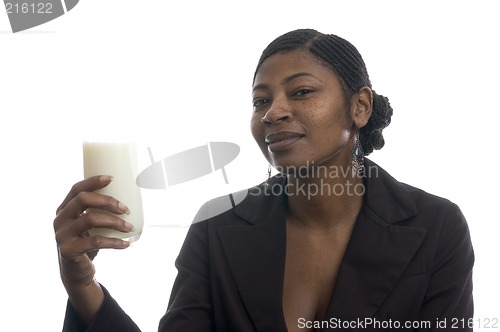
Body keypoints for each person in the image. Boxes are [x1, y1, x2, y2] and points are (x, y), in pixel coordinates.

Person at [54, 29, 474, 331]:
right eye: (261, 101)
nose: (273, 112)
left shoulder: (436, 227)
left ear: (359, 106)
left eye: (302, 92)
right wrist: (83, 286)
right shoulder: (217, 227)